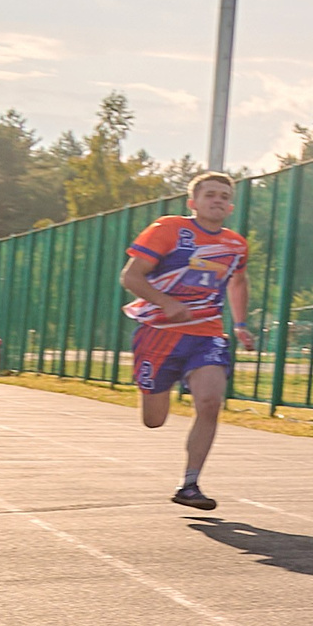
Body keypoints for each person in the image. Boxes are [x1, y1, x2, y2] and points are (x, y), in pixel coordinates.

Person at [120, 171, 252, 511]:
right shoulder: (169, 230)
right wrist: (167, 303)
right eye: (210, 194)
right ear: (193, 203)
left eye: (224, 195)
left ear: (230, 205)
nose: (217, 200)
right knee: (154, 420)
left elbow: (238, 281)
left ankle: (190, 484)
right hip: (159, 332)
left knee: (210, 403)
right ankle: (156, 386)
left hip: (206, 332)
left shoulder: (236, 244)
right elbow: (131, 276)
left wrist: (239, 323)